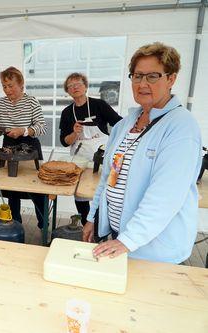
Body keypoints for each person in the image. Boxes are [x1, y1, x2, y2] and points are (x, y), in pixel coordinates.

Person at [82, 42, 202, 264]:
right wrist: (93, 218)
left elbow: (165, 195)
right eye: (137, 76)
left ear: (171, 79)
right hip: (121, 241)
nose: (142, 83)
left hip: (156, 251)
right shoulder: (124, 125)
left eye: (152, 76)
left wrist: (128, 240)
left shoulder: (181, 127)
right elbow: (109, 177)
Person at [0, 66, 48, 229]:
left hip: (30, 147)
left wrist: (24, 130)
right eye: (4, 86)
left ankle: (44, 225)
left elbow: (42, 127)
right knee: (11, 189)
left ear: (21, 84)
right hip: (8, 146)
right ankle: (15, 225)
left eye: (11, 85)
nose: (7, 90)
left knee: (36, 188)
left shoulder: (31, 102)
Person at [59, 73, 122, 225]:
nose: (75, 88)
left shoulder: (99, 105)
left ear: (85, 86)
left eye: (78, 84)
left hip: (102, 155)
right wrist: (75, 132)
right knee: (80, 193)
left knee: (102, 191)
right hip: (80, 158)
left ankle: (101, 227)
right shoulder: (67, 112)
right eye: (70, 86)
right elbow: (64, 142)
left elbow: (119, 123)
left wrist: (117, 143)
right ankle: (86, 224)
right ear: (67, 91)